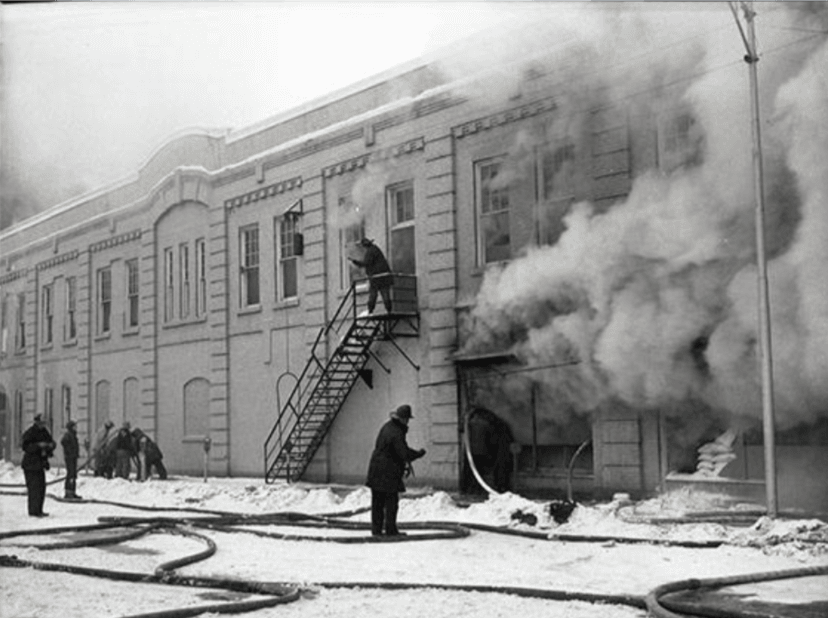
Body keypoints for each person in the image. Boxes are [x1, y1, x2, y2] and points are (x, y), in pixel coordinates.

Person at [365, 404, 426, 537]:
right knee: (391, 503)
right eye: (407, 419)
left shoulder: (388, 426)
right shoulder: (396, 432)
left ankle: (376, 531)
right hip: (387, 473)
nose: (408, 422)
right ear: (403, 419)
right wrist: (418, 454)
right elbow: (403, 453)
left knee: (378, 503)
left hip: (377, 469)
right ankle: (391, 531)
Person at [466, 407, 515, 494]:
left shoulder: (476, 422)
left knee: (474, 472)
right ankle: (500, 487)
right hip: (487, 453)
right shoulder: (494, 424)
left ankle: (472, 489)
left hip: (480, 453)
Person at [21, 414, 56, 517]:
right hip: (30, 465)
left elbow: (51, 442)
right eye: (42, 423)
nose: (43, 425)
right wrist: (38, 446)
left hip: (40, 464)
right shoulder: (30, 432)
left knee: (41, 488)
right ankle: (33, 511)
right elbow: (25, 446)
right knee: (33, 488)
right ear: (37, 422)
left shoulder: (44, 432)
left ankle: (39, 509)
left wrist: (50, 446)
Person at [349, 238, 394, 314]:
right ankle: (389, 310)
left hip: (376, 278)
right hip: (384, 277)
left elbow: (366, 263)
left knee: (373, 295)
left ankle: (370, 310)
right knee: (385, 294)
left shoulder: (370, 251)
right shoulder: (375, 249)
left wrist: (355, 262)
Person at [60, 420, 82, 500]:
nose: (76, 428)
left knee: (73, 474)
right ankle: (68, 491)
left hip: (73, 457)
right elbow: (63, 442)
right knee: (70, 474)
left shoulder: (73, 435)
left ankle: (72, 491)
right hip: (70, 458)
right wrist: (69, 452)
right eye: (74, 426)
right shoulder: (68, 435)